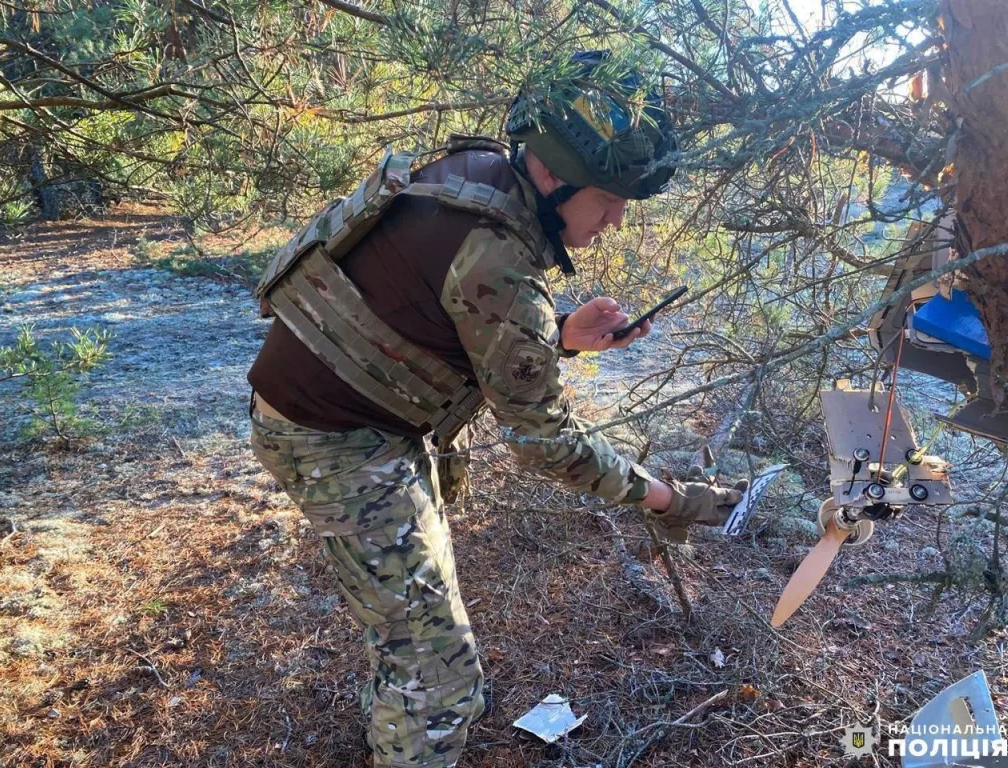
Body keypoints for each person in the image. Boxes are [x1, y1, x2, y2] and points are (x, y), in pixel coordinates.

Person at [246, 51, 746, 768]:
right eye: (607, 197)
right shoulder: (500, 257)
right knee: (443, 677)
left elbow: (434, 320)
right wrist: (666, 500)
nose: (615, 219)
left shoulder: (477, 173)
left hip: (331, 408)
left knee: (418, 619)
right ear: (551, 174)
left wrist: (559, 340)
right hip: (332, 435)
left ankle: (399, 705)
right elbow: (546, 444)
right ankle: (412, 725)